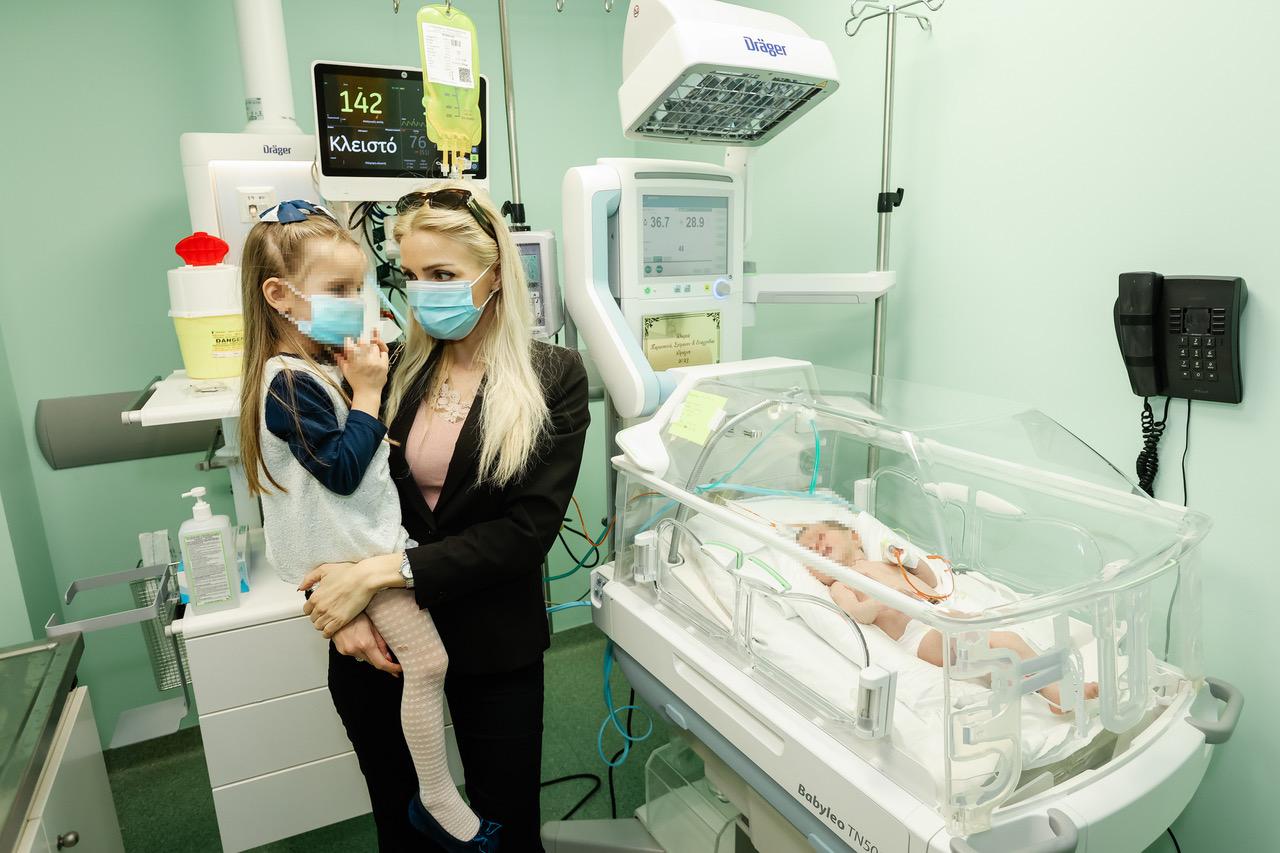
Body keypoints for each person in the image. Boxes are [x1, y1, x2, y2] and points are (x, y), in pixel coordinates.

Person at [298, 183, 590, 852]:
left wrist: (380, 572)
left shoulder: (553, 377)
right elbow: (325, 491)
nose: (424, 293)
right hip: (382, 635)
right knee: (401, 815)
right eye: (411, 276)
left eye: (442, 275)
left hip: (493, 633)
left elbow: (524, 534)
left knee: (505, 822)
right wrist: (342, 610)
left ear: (496, 274)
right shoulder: (391, 369)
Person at [235, 200, 499, 851]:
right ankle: (437, 796)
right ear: (280, 295)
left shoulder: (318, 368)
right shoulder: (289, 382)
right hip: (360, 563)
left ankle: (433, 795)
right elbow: (343, 471)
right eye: (340, 289)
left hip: (365, 559)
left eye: (362, 286)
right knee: (429, 662)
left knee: (423, 669)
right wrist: (370, 393)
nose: (359, 302)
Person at [798, 520, 1099, 713]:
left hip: (940, 617)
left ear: (854, 536)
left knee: (1003, 655)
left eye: (820, 537)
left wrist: (911, 561)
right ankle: (1058, 691)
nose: (817, 547)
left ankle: (1048, 691)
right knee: (1006, 643)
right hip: (918, 637)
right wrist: (881, 600)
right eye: (810, 553)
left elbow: (930, 582)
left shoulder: (885, 563)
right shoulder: (841, 584)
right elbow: (858, 614)